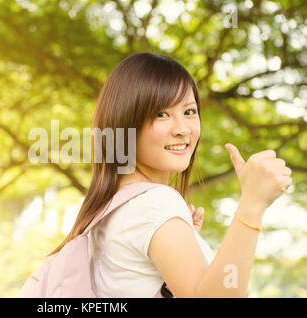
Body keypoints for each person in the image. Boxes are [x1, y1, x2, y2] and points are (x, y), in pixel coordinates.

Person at [49, 52, 292, 297]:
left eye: (189, 111)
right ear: (125, 122)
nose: (182, 129)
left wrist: (181, 240)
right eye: (161, 114)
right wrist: (252, 204)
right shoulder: (154, 204)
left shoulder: (111, 206)